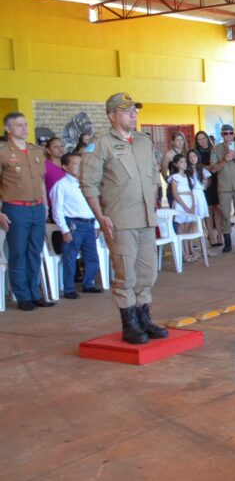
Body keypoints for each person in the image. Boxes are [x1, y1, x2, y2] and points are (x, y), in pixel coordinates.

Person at [80, 93, 167, 344]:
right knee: (125, 274)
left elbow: (153, 175)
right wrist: (101, 217)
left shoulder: (143, 141)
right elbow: (89, 184)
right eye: (127, 110)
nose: (134, 114)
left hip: (145, 218)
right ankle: (129, 323)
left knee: (147, 273)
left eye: (135, 110)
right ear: (112, 115)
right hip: (119, 219)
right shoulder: (100, 144)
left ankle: (144, 318)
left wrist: (153, 204)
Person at [0, 112, 53, 311]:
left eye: (25, 124)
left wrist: (46, 205)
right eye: (19, 125)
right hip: (15, 208)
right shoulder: (3, 152)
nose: (24, 128)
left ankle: (34, 292)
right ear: (8, 128)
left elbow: (41, 182)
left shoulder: (36, 151)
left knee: (34, 251)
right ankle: (22, 295)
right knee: (18, 252)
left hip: (37, 207)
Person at [49, 152, 102, 298]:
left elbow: (95, 205)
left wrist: (97, 223)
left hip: (89, 224)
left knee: (92, 256)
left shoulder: (88, 184)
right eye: (75, 164)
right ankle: (69, 288)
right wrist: (64, 230)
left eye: (81, 163)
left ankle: (89, 283)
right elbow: (57, 210)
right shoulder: (61, 185)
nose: (80, 167)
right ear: (65, 167)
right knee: (70, 257)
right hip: (73, 225)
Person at [209, 124, 235, 252]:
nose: (228, 136)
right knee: (225, 215)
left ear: (234, 134)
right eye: (225, 133)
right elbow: (213, 169)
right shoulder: (216, 149)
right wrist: (225, 159)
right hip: (224, 186)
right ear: (222, 135)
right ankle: (227, 241)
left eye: (231, 133)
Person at [166, 154, 200, 263]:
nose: (184, 164)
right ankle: (184, 253)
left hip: (189, 201)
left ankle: (190, 250)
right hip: (181, 203)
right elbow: (175, 194)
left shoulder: (188, 177)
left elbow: (191, 192)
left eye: (185, 162)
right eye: (181, 162)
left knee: (190, 227)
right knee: (182, 228)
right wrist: (185, 206)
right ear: (175, 164)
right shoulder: (174, 177)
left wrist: (193, 205)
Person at [194, 131, 222, 245]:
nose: (202, 141)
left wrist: (207, 167)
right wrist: (209, 167)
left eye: (204, 138)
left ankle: (220, 235)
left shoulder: (215, 149)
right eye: (199, 139)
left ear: (207, 138)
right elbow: (197, 166)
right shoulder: (196, 152)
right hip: (205, 181)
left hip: (217, 180)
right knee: (208, 209)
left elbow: (218, 165)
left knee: (218, 209)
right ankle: (211, 235)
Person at [160, 131, 188, 206]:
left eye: (182, 140)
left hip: (186, 186)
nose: (180, 142)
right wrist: (169, 182)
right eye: (177, 140)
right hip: (174, 187)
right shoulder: (168, 154)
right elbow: (164, 172)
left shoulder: (187, 153)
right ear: (173, 142)